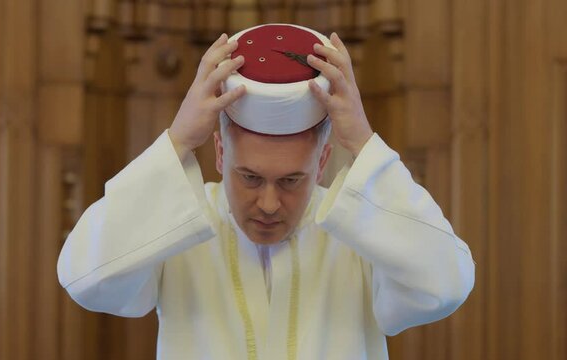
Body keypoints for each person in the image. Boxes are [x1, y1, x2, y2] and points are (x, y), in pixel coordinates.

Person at [57, 24, 475, 360]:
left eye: (292, 180)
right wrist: (178, 141)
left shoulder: (363, 227)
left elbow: (446, 284)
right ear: (219, 153)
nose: (270, 204)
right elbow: (85, 278)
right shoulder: (178, 220)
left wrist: (364, 142)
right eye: (250, 178)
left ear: (324, 158)